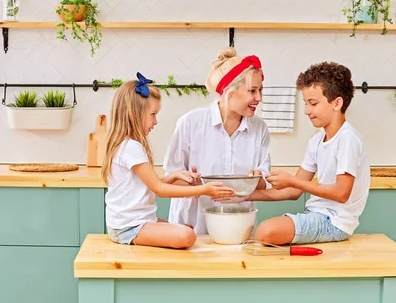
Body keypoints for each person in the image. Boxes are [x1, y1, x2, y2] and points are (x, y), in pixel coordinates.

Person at [103, 73, 235, 249]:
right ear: (135, 115)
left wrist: (174, 177)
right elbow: (159, 189)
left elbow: (150, 185)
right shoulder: (131, 147)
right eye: (153, 114)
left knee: (186, 229)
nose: (155, 121)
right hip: (130, 226)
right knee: (187, 235)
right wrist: (204, 189)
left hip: (133, 222)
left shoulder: (127, 145)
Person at [248, 62, 370, 245]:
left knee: (266, 231)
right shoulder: (317, 140)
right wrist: (245, 195)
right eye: (306, 103)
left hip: (335, 223)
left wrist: (292, 180)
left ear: (337, 103)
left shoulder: (348, 139)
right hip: (317, 215)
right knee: (266, 231)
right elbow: (294, 190)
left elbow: (341, 193)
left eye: (313, 104)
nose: (306, 111)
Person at [163, 47, 271, 234]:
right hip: (192, 227)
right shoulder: (190, 123)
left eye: (260, 90)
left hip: (239, 225)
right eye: (252, 91)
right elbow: (170, 181)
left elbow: (265, 183)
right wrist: (193, 182)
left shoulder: (259, 128)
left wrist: (256, 178)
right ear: (230, 92)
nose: (259, 98)